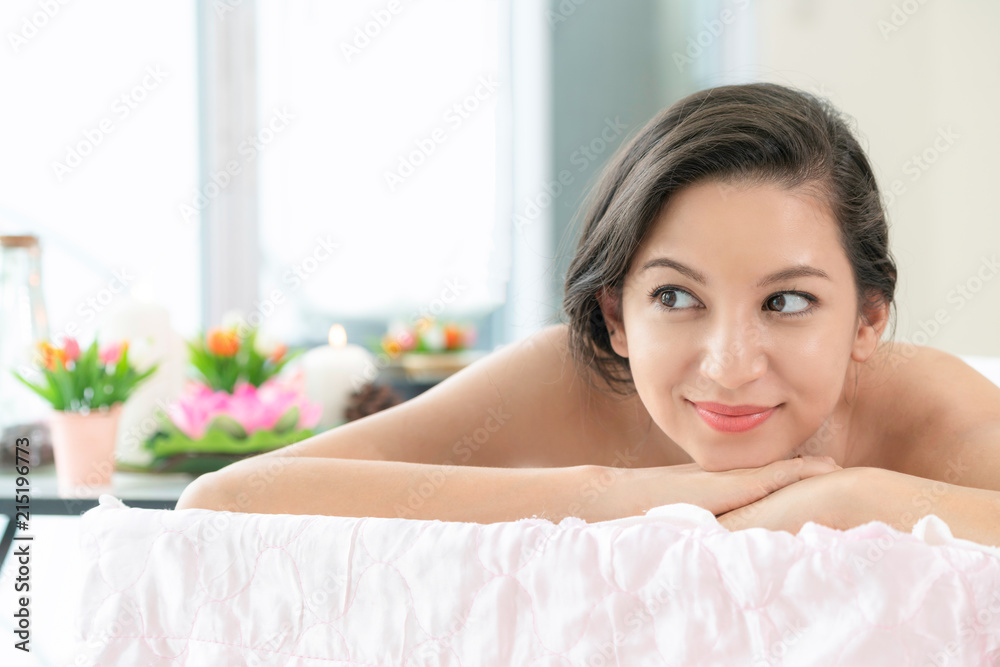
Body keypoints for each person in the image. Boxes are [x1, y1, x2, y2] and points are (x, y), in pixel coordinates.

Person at [176, 83, 1000, 546]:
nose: (729, 363)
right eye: (676, 297)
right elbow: (227, 498)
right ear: (615, 315)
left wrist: (846, 502)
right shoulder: (562, 384)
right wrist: (610, 494)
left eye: (787, 302)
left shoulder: (934, 414)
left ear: (868, 323)